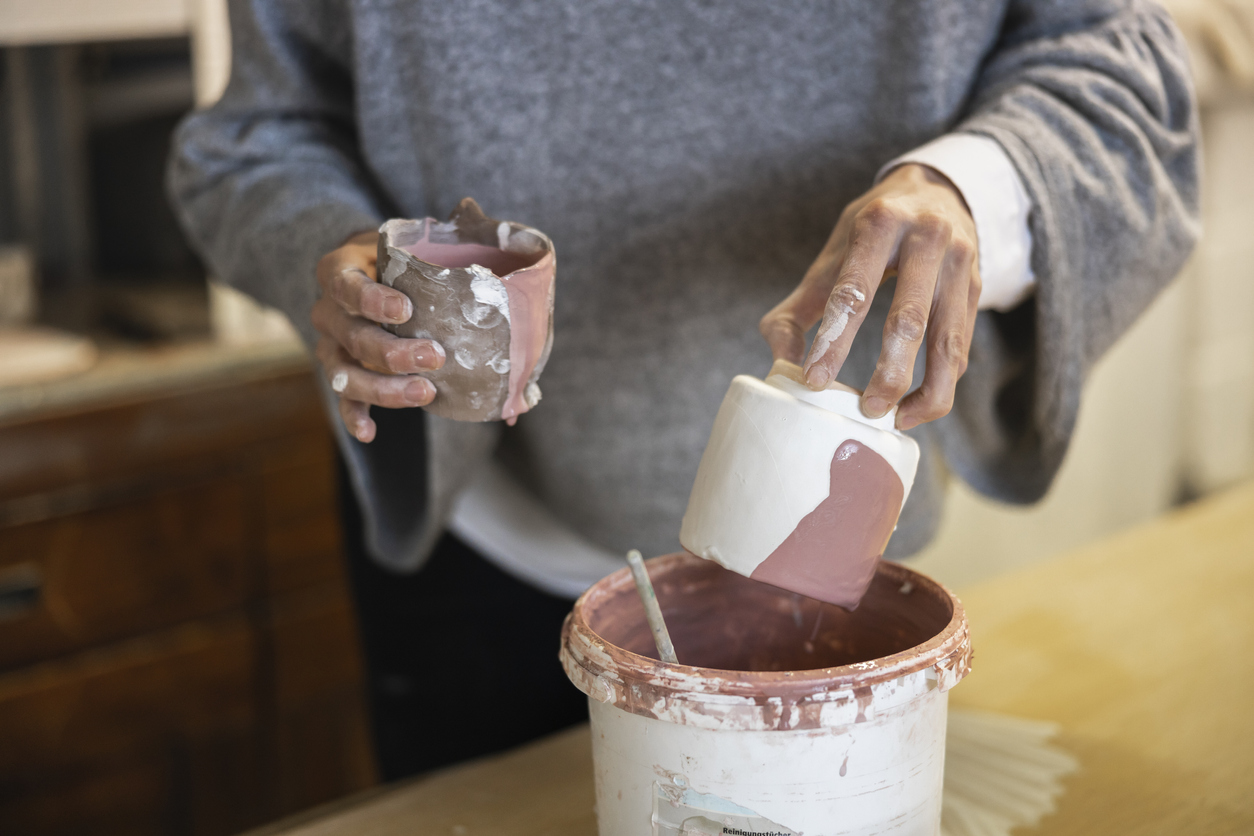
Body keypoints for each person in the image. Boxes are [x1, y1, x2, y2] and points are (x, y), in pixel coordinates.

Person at [169, 0, 1200, 780]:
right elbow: (250, 139)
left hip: (836, 588)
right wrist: (336, 255)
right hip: (482, 554)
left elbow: (1127, 77)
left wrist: (975, 186)